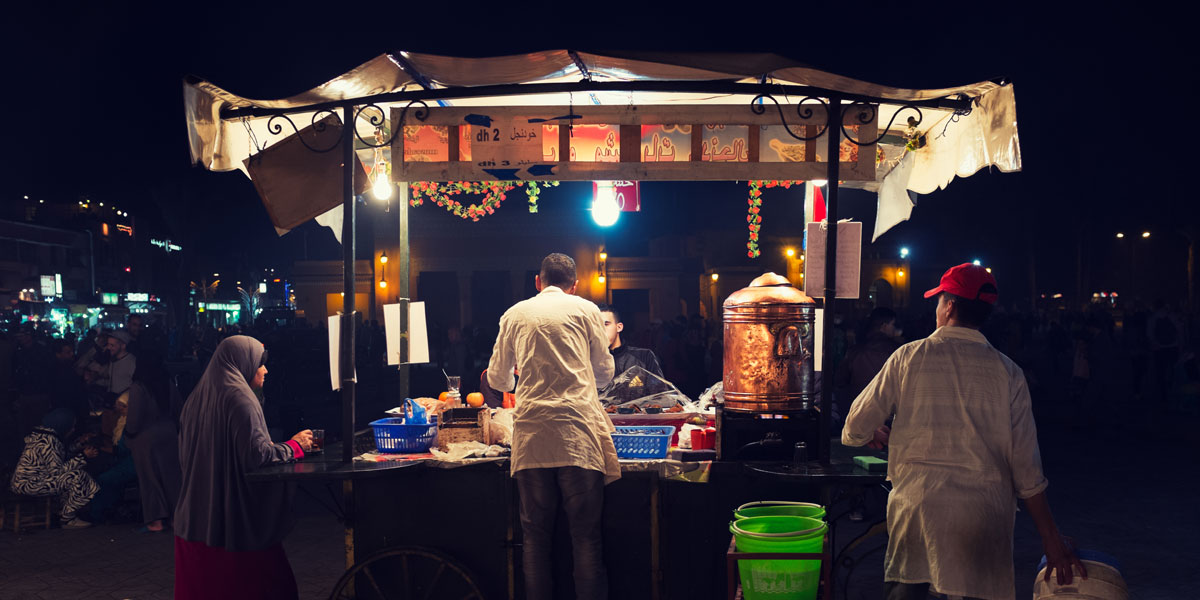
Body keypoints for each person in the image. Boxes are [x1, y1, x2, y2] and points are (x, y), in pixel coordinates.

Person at [842, 263, 1085, 600]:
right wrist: (1051, 538)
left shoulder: (908, 357)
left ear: (950, 306)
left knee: (908, 589)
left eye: (939, 300)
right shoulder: (1009, 373)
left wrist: (872, 432)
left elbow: (855, 427)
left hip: (919, 511)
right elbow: (1027, 470)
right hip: (984, 517)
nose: (937, 308)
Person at [487, 253, 619, 600]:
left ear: (538, 281)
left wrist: (517, 379)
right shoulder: (586, 310)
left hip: (532, 435)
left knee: (535, 539)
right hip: (578, 433)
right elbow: (605, 373)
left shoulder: (515, 314)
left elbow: (498, 378)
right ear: (574, 285)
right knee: (586, 538)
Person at [174, 335, 313, 600]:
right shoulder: (240, 399)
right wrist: (295, 446)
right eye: (260, 363)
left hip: (194, 516)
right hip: (233, 522)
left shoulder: (197, 398)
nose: (265, 370)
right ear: (243, 363)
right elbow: (257, 456)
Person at [9, 408, 100, 529]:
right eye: (71, 426)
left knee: (72, 476)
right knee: (78, 477)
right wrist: (83, 457)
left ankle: (63, 513)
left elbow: (60, 457)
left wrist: (80, 444)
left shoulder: (46, 436)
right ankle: (67, 518)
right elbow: (57, 472)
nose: (73, 429)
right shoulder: (48, 442)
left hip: (30, 482)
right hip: (29, 484)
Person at [124, 359, 183, 533]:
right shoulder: (168, 383)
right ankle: (176, 518)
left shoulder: (139, 387)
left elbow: (134, 419)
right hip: (169, 434)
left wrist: (129, 434)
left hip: (146, 437)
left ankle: (156, 520)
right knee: (172, 478)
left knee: (150, 479)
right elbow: (179, 410)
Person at [595, 303, 663, 378]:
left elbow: (658, 385)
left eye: (606, 324)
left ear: (619, 327)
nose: (601, 329)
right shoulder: (591, 361)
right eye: (597, 325)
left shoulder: (644, 357)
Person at [106, 330, 137, 398]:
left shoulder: (131, 362)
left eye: (112, 345)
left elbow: (138, 386)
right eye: (108, 344)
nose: (108, 347)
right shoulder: (113, 358)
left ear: (123, 346)